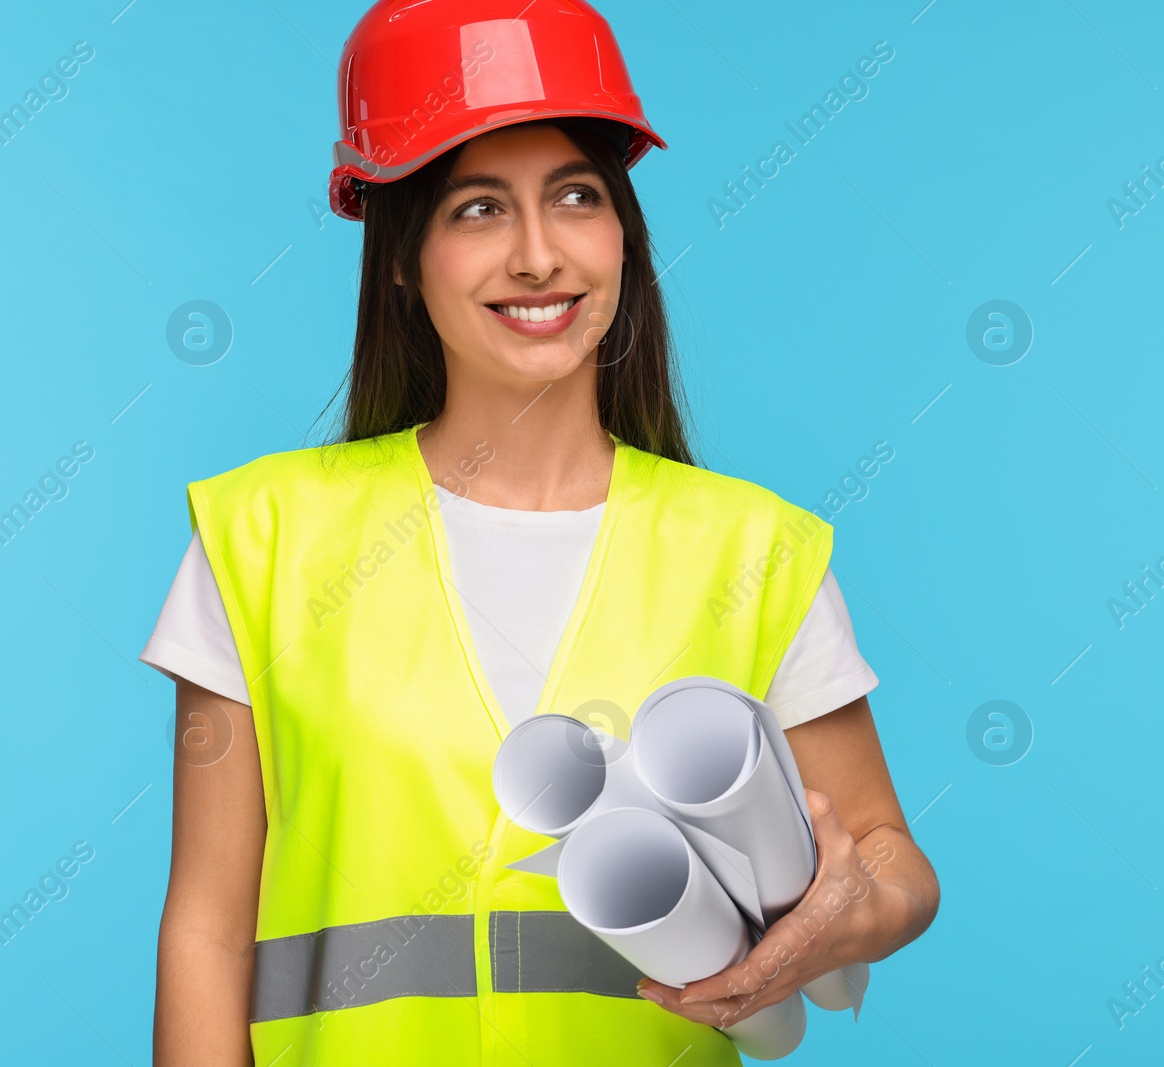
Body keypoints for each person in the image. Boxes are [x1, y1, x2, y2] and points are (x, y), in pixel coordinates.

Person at [141, 2, 939, 1064]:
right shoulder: (266, 538)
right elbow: (205, 930)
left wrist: (858, 906)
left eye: (576, 196)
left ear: (623, 232)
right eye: (476, 208)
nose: (536, 255)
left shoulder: (749, 550)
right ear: (398, 253)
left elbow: (891, 860)